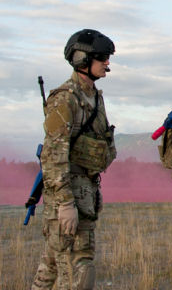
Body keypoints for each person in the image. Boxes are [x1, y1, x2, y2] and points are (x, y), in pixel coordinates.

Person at [31, 29, 117, 290]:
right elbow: (53, 157)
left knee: (52, 265)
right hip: (68, 195)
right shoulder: (65, 98)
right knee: (78, 270)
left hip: (87, 191)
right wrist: (65, 204)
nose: (107, 63)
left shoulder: (94, 97)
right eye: (101, 57)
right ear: (82, 59)